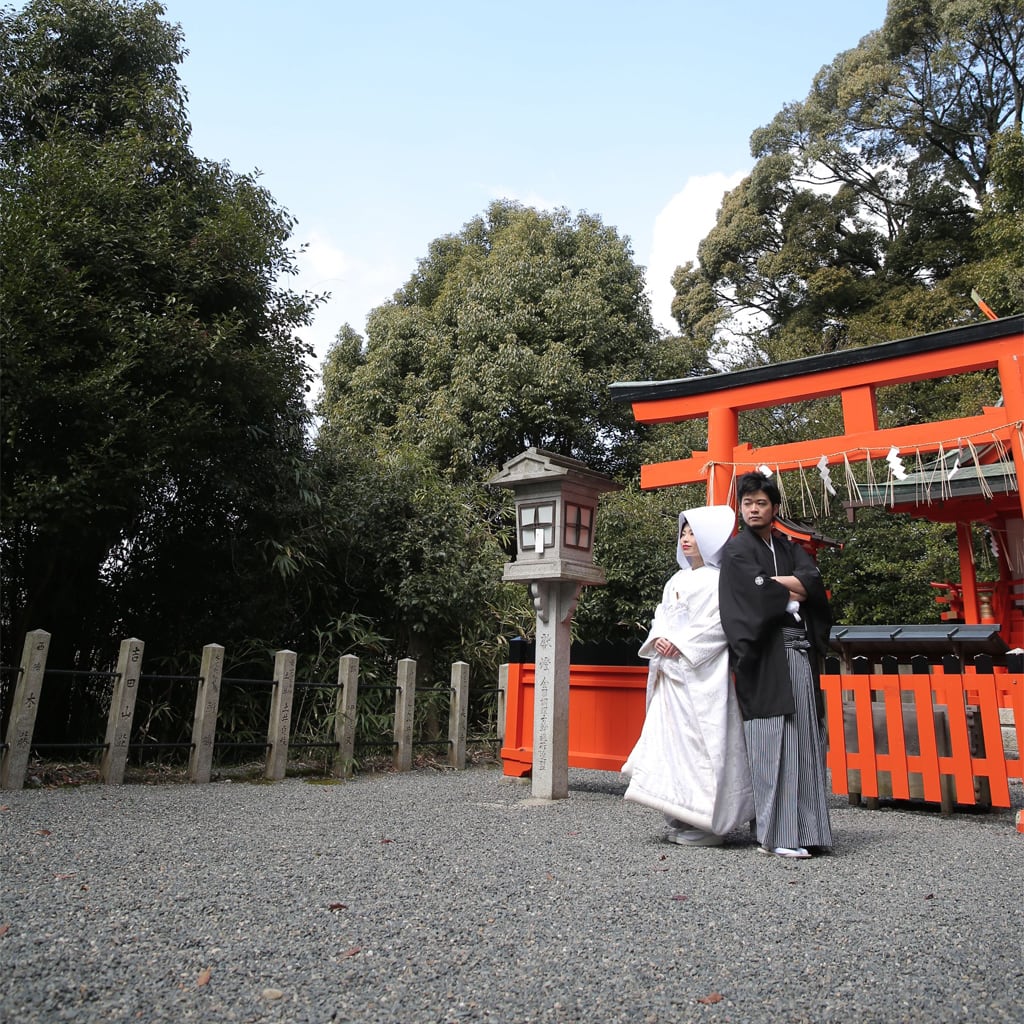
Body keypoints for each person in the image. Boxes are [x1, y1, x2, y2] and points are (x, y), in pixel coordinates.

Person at [622, 506, 755, 847]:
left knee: (702, 745)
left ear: (708, 538)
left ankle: (708, 821)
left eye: (693, 533)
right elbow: (661, 617)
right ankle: (679, 813)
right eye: (683, 533)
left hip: (701, 675)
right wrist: (659, 637)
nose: (685, 539)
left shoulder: (719, 580)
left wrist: (680, 644)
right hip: (671, 675)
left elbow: (719, 624)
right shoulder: (675, 581)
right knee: (670, 745)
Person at [717, 471, 834, 859]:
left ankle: (808, 830)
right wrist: (789, 588)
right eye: (747, 503)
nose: (753, 509)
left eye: (761, 503)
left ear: (775, 508)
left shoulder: (788, 547)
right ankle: (775, 835)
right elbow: (754, 595)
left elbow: (812, 581)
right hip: (765, 658)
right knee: (772, 742)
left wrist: (774, 583)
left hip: (799, 655)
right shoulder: (736, 551)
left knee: (805, 741)